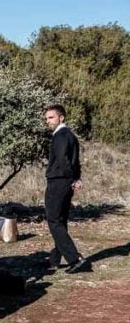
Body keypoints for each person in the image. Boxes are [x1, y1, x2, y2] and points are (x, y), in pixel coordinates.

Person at [44, 104, 90, 274]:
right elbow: (75, 161)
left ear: (61, 117)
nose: (47, 121)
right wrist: (76, 178)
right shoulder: (70, 135)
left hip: (59, 182)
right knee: (60, 221)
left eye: (51, 117)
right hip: (66, 182)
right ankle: (55, 260)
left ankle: (75, 259)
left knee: (54, 221)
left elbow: (64, 160)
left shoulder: (60, 136)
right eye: (46, 118)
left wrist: (72, 179)